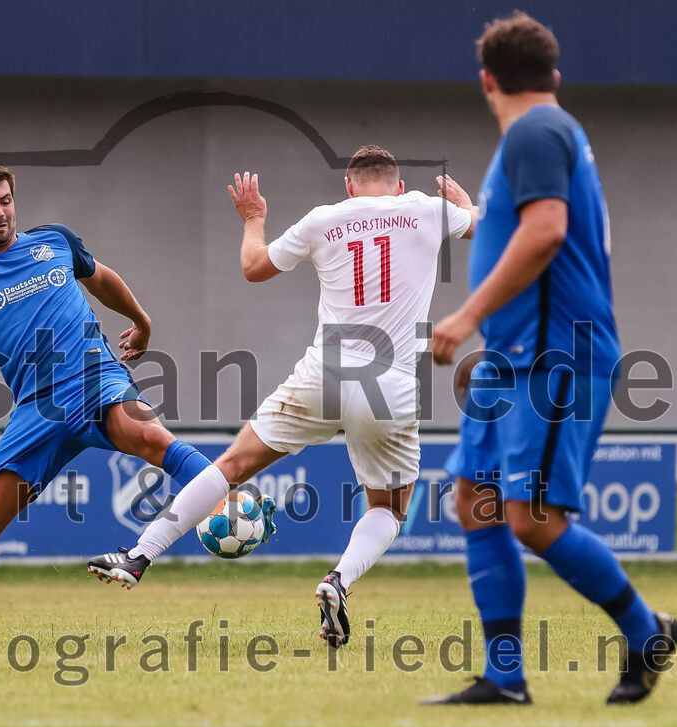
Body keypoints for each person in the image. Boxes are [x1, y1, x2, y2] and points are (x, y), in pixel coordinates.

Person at [88, 146, 474, 648]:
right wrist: (466, 203)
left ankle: (140, 554)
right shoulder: (424, 208)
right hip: (391, 386)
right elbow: (486, 227)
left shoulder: (324, 220)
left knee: (231, 466)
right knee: (388, 508)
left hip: (323, 375)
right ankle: (338, 581)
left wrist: (254, 218)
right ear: (397, 187)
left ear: (350, 188)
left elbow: (253, 266)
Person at [424, 12, 677, 705]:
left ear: (486, 80)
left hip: (555, 358)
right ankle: (505, 678)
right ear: (554, 74)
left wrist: (467, 313)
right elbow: (531, 230)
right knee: (475, 501)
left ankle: (646, 630)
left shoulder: (536, 131)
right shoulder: (546, 134)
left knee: (532, 517)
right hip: (514, 359)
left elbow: (545, 231)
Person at [0, 157, 222, 642]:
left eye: (5, 201)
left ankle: (227, 499)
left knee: (147, 433)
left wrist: (141, 320)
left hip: (95, 380)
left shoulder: (54, 241)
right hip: (37, 411)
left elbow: (100, 277)